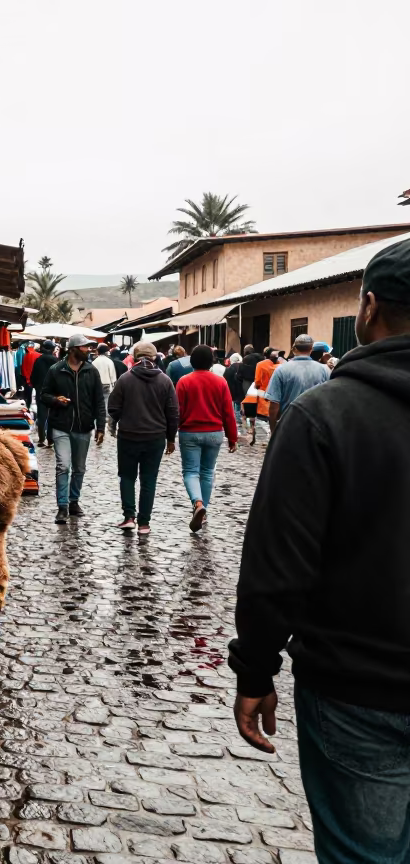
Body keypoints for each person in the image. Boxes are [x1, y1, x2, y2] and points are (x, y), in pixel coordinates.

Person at [228, 237, 410, 864]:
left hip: (360, 691)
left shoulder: (323, 416)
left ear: (367, 308)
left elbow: (278, 567)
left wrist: (255, 670)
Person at [107, 341, 178, 535]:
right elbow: (173, 412)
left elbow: (113, 407)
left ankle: (129, 517)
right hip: (155, 438)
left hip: (129, 436)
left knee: (127, 477)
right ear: (155, 358)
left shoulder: (125, 379)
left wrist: (123, 418)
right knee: (149, 480)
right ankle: (144, 523)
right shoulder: (164, 381)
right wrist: (171, 438)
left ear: (135, 357)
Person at [39, 333, 106, 525]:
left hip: (83, 427)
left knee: (79, 468)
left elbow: (99, 402)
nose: (88, 349)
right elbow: (43, 395)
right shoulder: (56, 370)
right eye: (84, 347)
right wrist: (55, 400)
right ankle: (62, 506)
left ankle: (74, 501)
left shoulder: (91, 371)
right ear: (74, 349)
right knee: (63, 466)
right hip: (61, 425)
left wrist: (100, 427)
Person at [175, 345, 238, 532]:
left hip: (190, 432)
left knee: (190, 471)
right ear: (212, 361)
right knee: (208, 472)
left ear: (191, 361)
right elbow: (228, 412)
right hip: (214, 432)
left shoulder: (184, 381)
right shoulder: (220, 382)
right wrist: (232, 437)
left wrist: (170, 434)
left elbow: (177, 411)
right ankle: (204, 511)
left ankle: (197, 503)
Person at [264, 334, 330, 433]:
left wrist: (273, 430)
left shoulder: (281, 370)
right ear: (311, 349)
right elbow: (327, 402)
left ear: (294, 348)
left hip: (288, 426)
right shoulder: (324, 370)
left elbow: (274, 405)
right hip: (314, 427)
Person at [244, 346, 277, 445]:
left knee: (260, 417)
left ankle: (264, 435)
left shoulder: (261, 365)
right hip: (277, 395)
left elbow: (257, 381)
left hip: (263, 394)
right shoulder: (281, 365)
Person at [29, 340, 59, 447]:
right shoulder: (56, 361)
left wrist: (37, 386)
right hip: (53, 392)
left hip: (41, 392)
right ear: (51, 349)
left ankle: (41, 439)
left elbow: (33, 377)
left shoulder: (38, 360)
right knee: (52, 416)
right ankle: (50, 440)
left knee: (42, 415)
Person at [223, 352, 246, 425]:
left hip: (232, 389)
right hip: (242, 388)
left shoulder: (229, 368)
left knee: (236, 404)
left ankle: (237, 419)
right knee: (240, 403)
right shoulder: (242, 366)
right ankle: (241, 418)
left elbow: (225, 378)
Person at [20, 341, 40, 415]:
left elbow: (23, 367)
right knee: (38, 396)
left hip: (28, 377)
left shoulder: (26, 356)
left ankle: (27, 408)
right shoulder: (39, 355)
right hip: (37, 378)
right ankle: (38, 411)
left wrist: (25, 376)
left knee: (28, 395)